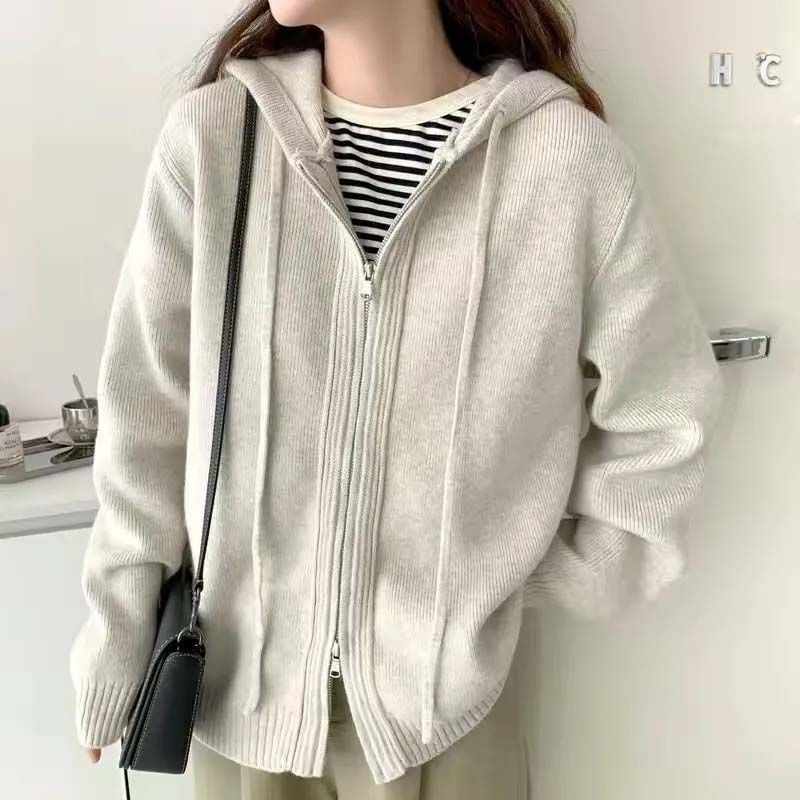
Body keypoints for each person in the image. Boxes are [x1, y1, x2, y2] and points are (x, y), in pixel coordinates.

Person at [69, 0, 725, 797]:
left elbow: (664, 416)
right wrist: (118, 632)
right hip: (235, 697)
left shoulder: (566, 162)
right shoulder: (216, 138)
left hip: (452, 715)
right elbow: (147, 412)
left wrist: (509, 575)